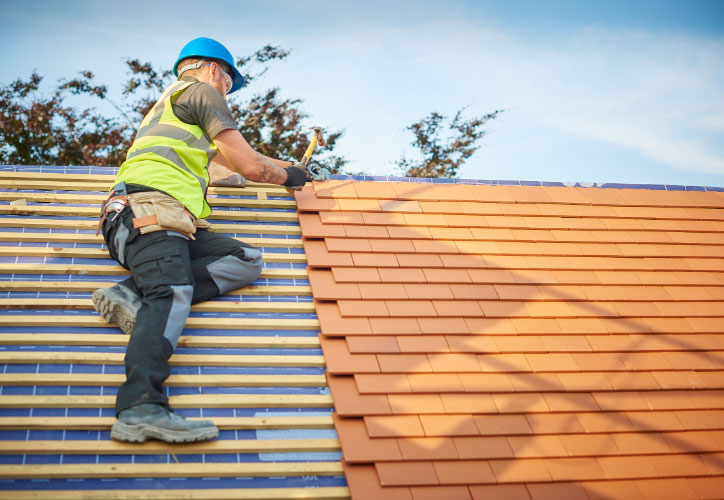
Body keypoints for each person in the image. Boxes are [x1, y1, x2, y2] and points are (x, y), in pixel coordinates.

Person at [92, 37, 313, 444]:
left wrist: (290, 167)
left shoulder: (174, 108)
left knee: (244, 259)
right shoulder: (203, 92)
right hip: (150, 211)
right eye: (230, 80)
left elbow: (230, 161)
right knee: (172, 292)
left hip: (150, 218)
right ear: (215, 69)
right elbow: (249, 166)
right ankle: (141, 406)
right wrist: (287, 178)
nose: (228, 90)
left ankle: (132, 292)